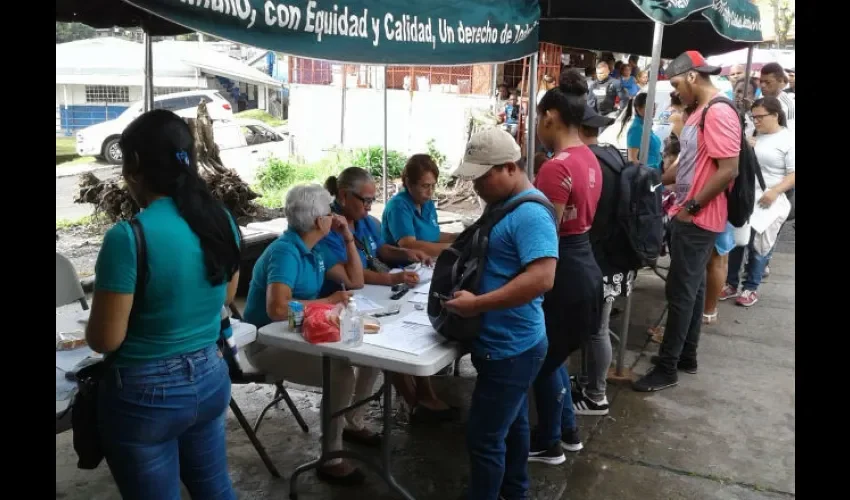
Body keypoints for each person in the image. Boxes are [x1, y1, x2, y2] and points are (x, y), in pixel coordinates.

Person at [85, 109, 242, 499]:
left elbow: (105, 340)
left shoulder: (128, 237)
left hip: (145, 397)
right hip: (210, 377)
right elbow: (224, 295)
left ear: (133, 164)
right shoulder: (221, 219)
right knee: (215, 489)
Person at [242, 184, 379, 486]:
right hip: (267, 344)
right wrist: (327, 302)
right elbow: (278, 308)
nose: (335, 216)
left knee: (370, 354)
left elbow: (354, 281)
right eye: (331, 213)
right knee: (341, 374)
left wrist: (347, 237)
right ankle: (331, 457)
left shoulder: (313, 248)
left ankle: (351, 422)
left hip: (299, 333)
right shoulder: (285, 251)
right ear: (320, 221)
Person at [449, 127, 557, 500]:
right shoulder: (503, 207)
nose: (476, 186)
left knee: (484, 438)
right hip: (508, 341)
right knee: (512, 425)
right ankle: (516, 492)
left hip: (513, 345)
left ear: (509, 167)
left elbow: (543, 278)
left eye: (482, 177)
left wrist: (476, 304)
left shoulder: (529, 214)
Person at [635, 51, 741, 392]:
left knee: (679, 293)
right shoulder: (700, 112)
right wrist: (653, 179)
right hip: (690, 214)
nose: (677, 92)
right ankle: (686, 356)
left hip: (699, 219)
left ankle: (667, 369)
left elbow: (729, 169)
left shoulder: (719, 111)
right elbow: (689, 164)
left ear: (693, 77)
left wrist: (691, 207)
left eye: (678, 84)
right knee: (691, 291)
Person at [322, 167, 456, 423]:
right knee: (388, 342)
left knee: (407, 328)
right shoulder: (331, 228)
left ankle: (419, 397)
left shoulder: (364, 223)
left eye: (373, 200)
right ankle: (414, 401)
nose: (370, 207)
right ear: (343, 196)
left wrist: (406, 255)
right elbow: (352, 275)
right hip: (345, 301)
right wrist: (391, 278)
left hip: (372, 296)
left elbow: (380, 249)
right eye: (366, 200)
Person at [529, 69, 604, 463]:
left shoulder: (555, 167)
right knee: (555, 354)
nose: (537, 127)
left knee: (541, 357)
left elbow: (545, 234)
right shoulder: (589, 157)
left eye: (538, 119)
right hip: (586, 261)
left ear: (551, 117)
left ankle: (547, 441)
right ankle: (568, 431)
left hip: (564, 267)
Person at [576, 103, 630, 416]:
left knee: (597, 328)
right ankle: (587, 382)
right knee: (594, 326)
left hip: (600, 259)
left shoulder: (587, 162)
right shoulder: (613, 155)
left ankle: (596, 395)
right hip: (616, 258)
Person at [720, 97, 795, 307]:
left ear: (775, 115)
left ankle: (750, 287)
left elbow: (793, 173)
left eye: (760, 117)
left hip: (770, 200)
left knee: (760, 246)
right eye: (754, 117)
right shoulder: (753, 134)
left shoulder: (788, 140)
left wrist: (775, 191)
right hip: (746, 197)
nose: (757, 121)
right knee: (738, 240)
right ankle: (731, 282)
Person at [382, 154, 457, 258]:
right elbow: (409, 246)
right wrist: (454, 248)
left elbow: (432, 235)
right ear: (409, 183)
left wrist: (457, 238)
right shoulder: (398, 206)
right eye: (425, 186)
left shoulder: (426, 203)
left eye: (433, 186)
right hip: (405, 268)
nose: (430, 192)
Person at [620, 92, 663, 170]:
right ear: (638, 108)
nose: (653, 110)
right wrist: (647, 172)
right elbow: (632, 159)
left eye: (654, 106)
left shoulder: (646, 126)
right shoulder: (636, 129)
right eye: (649, 107)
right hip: (648, 175)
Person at [758, 63, 795, 127]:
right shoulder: (761, 99)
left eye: (768, 82)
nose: (762, 85)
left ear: (780, 81)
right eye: (761, 81)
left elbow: (787, 132)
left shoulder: (788, 106)